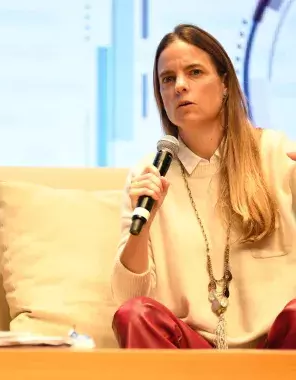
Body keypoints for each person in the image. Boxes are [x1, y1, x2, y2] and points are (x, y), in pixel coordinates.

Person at [111, 24, 296, 350]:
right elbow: (128, 301)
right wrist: (143, 227)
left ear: (225, 84)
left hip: (277, 348)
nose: (180, 86)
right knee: (135, 315)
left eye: (194, 72)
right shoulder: (149, 174)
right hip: (194, 351)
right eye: (168, 79)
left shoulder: (274, 152)